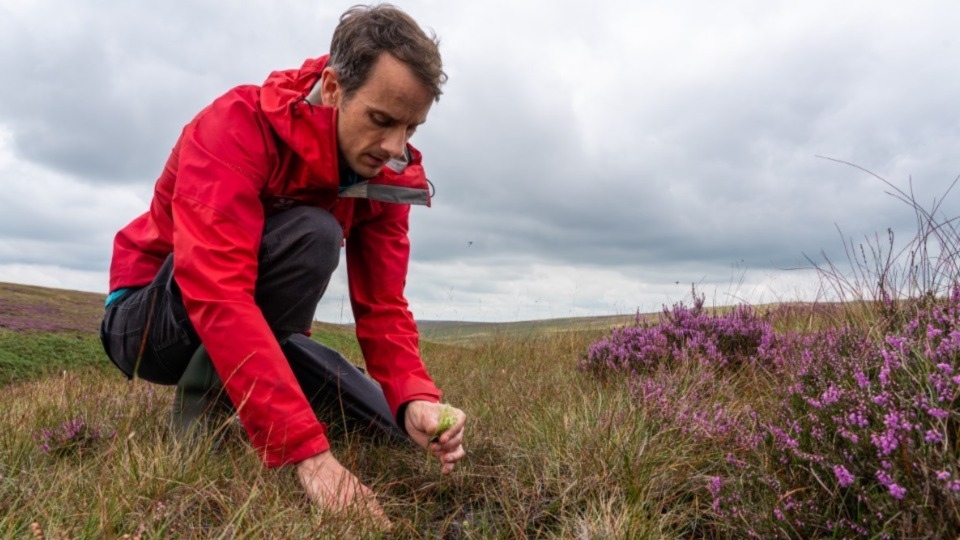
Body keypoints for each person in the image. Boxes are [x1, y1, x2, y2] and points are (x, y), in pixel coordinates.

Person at [98, 3, 466, 524]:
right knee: (314, 233)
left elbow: (382, 304)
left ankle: (262, 396)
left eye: (410, 127)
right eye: (382, 120)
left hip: (255, 325)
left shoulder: (386, 176)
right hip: (147, 325)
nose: (393, 147)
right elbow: (218, 292)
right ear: (335, 89)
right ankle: (199, 423)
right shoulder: (234, 126)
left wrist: (415, 398)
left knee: (391, 425)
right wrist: (309, 457)